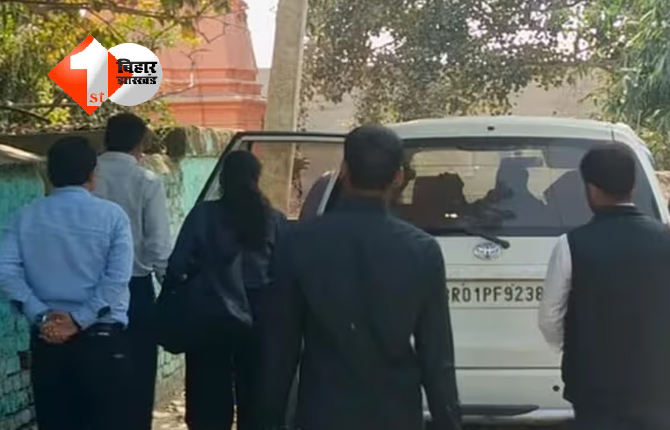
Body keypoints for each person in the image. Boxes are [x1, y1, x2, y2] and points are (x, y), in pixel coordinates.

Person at [258, 125, 462, 430]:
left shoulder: (297, 242)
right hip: (395, 415)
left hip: (322, 413)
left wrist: (268, 419)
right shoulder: (422, 250)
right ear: (398, 177)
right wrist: (448, 421)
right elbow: (436, 357)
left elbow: (279, 349)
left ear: (344, 170)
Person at [0, 137, 134, 430]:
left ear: (49, 174)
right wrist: (79, 319)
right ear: (92, 173)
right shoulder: (113, 217)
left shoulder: (24, 217)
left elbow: (5, 271)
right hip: (101, 341)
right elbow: (117, 279)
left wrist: (42, 314)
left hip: (48, 340)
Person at [539, 144, 670, 429]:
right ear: (632, 186)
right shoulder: (665, 238)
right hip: (658, 385)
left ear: (591, 189)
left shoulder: (570, 245)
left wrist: (577, 348)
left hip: (593, 387)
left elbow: (550, 318)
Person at [167, 150, 287, 430]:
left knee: (207, 401)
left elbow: (177, 265)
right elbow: (284, 274)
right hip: (258, 317)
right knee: (255, 400)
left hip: (209, 314)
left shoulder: (203, 215)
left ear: (223, 179)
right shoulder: (274, 220)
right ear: (257, 178)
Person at [94, 113, 172, 430]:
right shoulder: (146, 181)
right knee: (137, 376)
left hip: (90, 288)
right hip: (135, 288)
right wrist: (169, 284)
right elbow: (158, 243)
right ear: (140, 143)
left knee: (95, 374)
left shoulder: (87, 176)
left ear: (105, 139)